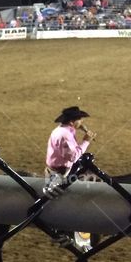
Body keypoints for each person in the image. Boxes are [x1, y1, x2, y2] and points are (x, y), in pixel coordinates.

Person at [45, 106, 97, 252]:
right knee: (73, 201)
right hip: (60, 174)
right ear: (73, 121)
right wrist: (86, 141)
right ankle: (63, 233)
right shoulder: (65, 135)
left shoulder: (66, 131)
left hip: (61, 171)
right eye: (80, 119)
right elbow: (73, 157)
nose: (82, 122)